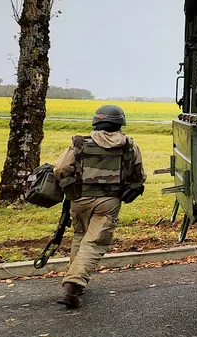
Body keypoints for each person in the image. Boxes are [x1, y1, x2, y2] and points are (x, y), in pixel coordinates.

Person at [52, 105, 146, 309]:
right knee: (94, 242)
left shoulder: (79, 143)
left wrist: (69, 186)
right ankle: (74, 284)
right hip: (109, 202)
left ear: (96, 122)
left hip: (79, 199)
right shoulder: (129, 145)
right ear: (120, 123)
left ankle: (73, 277)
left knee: (80, 236)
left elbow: (60, 169)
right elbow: (139, 176)